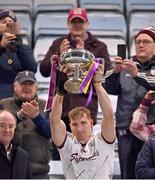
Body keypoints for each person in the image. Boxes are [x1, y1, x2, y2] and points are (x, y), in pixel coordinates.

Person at [40, 7, 111, 131]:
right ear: (68, 24)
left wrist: (84, 53)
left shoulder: (99, 46)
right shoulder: (59, 44)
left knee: (84, 147)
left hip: (86, 106)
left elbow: (105, 70)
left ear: (87, 24)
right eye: (74, 22)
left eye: (80, 22)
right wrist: (58, 54)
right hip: (62, 105)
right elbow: (44, 70)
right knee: (60, 147)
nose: (77, 25)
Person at [105, 26, 155, 179]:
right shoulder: (127, 65)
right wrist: (115, 73)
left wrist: (136, 74)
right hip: (125, 130)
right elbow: (111, 89)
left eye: (146, 41)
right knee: (128, 175)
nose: (141, 45)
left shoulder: (133, 69)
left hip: (151, 132)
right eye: (138, 41)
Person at [50, 64, 116, 179]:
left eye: (83, 123)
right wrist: (60, 91)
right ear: (70, 126)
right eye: (75, 124)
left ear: (91, 123)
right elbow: (54, 120)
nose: (79, 128)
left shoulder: (103, 140)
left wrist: (97, 84)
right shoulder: (67, 144)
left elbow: (109, 115)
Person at [0, 70, 51, 179]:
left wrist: (36, 117)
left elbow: (52, 133)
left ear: (36, 87)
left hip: (39, 172)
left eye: (30, 84)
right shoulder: (3, 104)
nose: (26, 87)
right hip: (7, 170)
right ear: (14, 86)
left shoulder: (46, 106)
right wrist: (18, 117)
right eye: (23, 83)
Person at [0, 9, 37, 99]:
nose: (8, 24)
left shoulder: (23, 48)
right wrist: (1, 46)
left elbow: (32, 69)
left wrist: (19, 43)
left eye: (10, 22)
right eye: (4, 22)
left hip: (21, 99)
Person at [0, 110, 32, 179]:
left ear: (15, 128)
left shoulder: (23, 155)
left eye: (11, 126)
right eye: (2, 126)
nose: (7, 130)